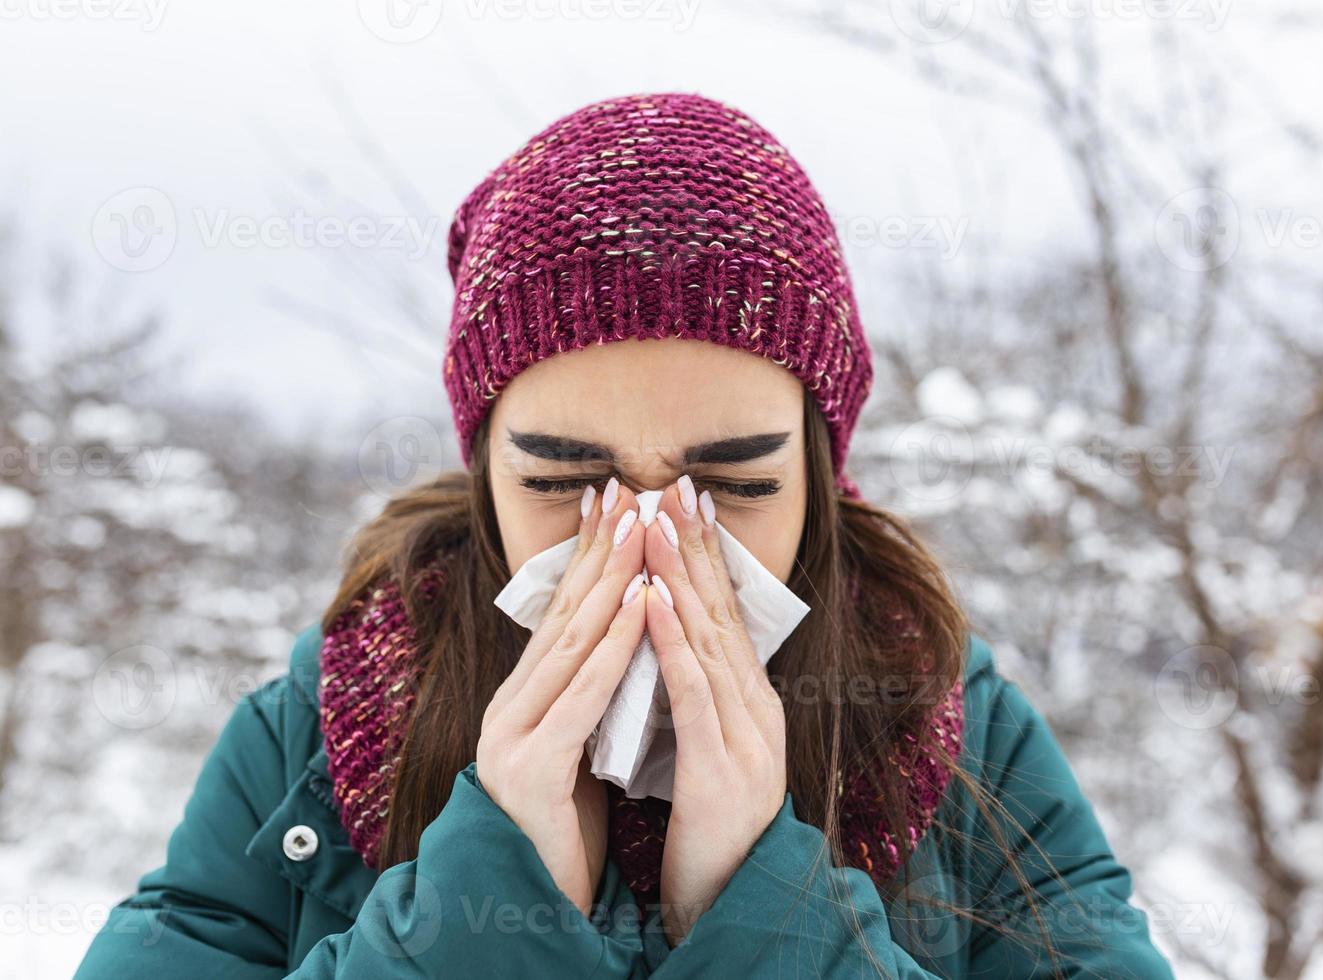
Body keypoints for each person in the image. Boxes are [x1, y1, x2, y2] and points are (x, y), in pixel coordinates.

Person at [75, 91, 1174, 978]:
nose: (648, 542)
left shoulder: (955, 722)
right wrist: (479, 911)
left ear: (822, 475)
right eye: (566, 478)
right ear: (484, 468)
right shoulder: (324, 722)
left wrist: (765, 912)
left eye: (735, 482)